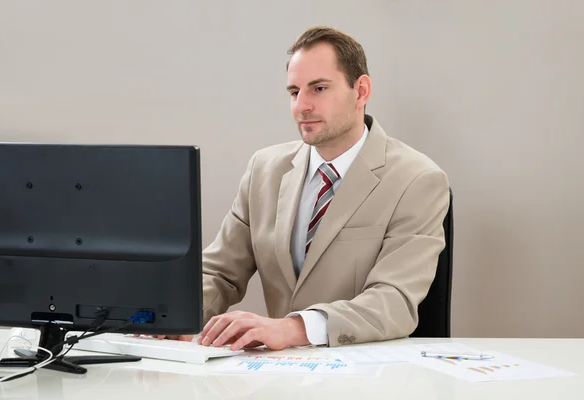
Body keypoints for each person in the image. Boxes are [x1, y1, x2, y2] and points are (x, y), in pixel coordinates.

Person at [172, 26, 450, 350]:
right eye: (294, 92)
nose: (301, 106)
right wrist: (173, 316)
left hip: (364, 376)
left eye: (318, 88)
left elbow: (393, 301)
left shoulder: (417, 180)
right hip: (275, 372)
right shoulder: (264, 169)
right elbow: (219, 273)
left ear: (361, 91)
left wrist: (293, 329)